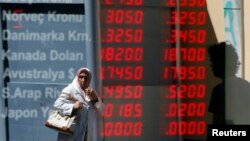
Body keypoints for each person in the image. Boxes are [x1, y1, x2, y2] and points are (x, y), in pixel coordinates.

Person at [53, 67, 105, 141]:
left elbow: (102, 111)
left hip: (86, 136)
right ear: (77, 77)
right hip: (70, 136)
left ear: (89, 79)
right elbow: (57, 105)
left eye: (86, 78)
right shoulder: (70, 90)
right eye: (81, 77)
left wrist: (95, 99)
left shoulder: (91, 93)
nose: (83, 80)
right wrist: (73, 106)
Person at [208, 41, 250, 125]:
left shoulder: (219, 91)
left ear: (220, 64)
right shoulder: (247, 86)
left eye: (213, 62)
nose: (211, 66)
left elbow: (217, 122)